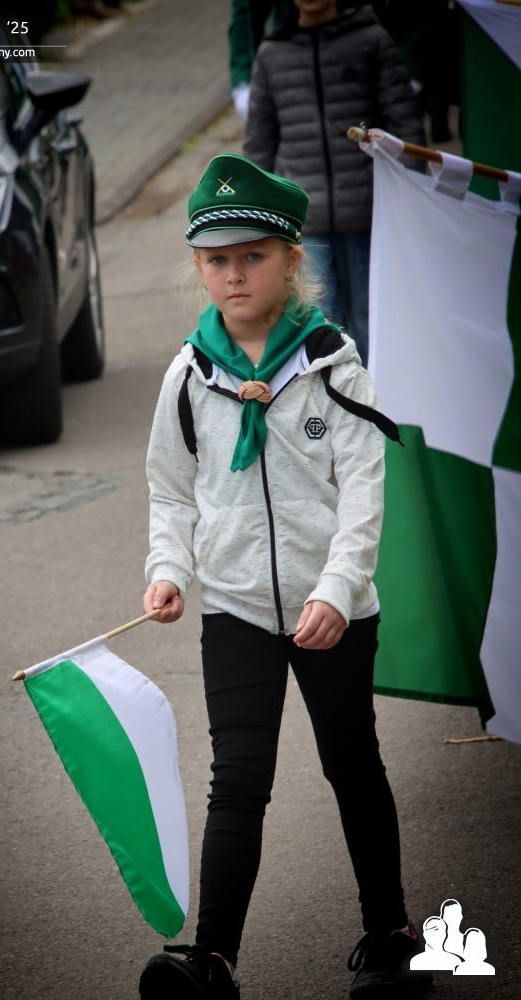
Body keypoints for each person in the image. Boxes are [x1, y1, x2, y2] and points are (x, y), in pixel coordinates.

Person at [137, 153, 430, 999]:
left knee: (352, 765)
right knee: (237, 781)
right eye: (215, 259)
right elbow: (171, 489)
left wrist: (336, 591)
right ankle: (212, 960)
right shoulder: (187, 375)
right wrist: (169, 568)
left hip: (332, 609)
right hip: (233, 609)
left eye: (251, 256)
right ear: (198, 267)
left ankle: (391, 937)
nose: (233, 274)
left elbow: (363, 493)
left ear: (291, 258)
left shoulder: (334, 366)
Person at [242, 0, 425, 366]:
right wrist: (257, 222)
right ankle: (331, 401)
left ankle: (376, 400)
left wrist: (412, 199)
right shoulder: (273, 53)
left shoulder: (370, 40)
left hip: (370, 217)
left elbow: (405, 127)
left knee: (374, 323)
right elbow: (259, 146)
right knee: (319, 328)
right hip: (304, 228)